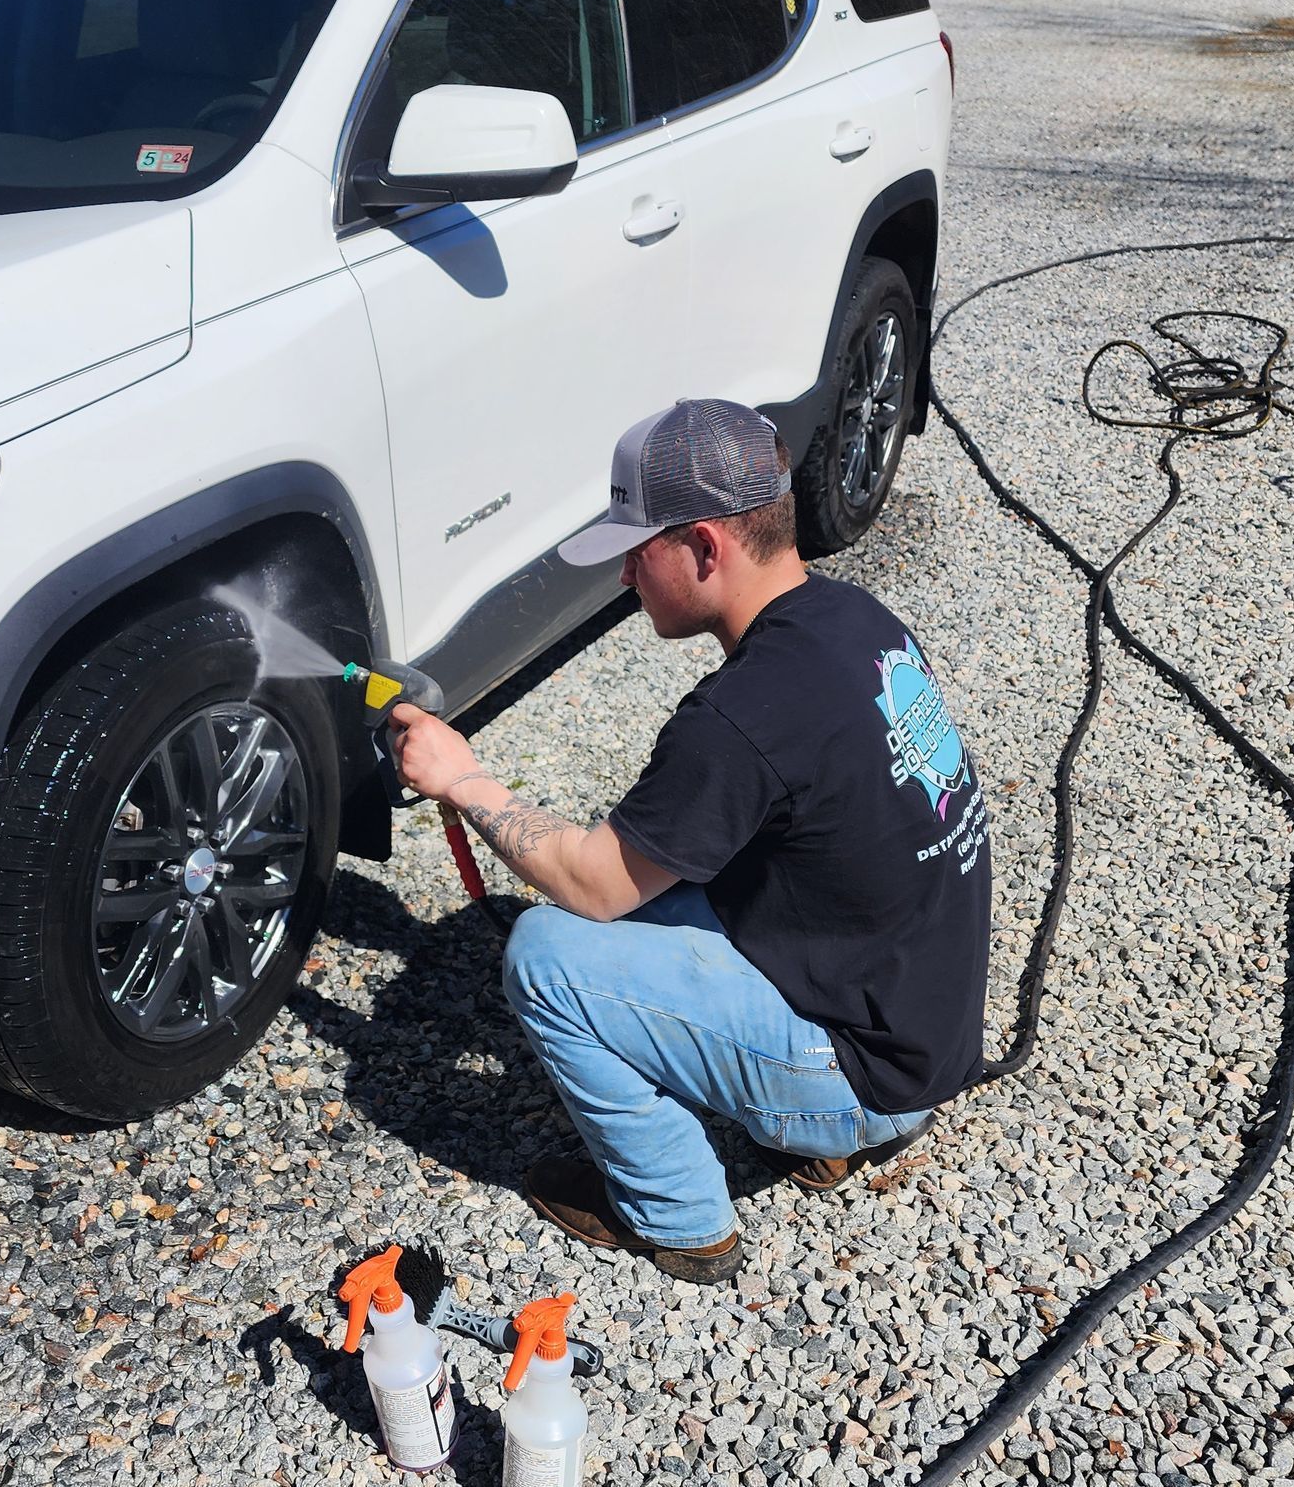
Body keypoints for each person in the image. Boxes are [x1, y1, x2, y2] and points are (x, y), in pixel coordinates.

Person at [387, 398, 992, 1283]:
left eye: (639, 551)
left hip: (868, 1077)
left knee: (546, 954)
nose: (625, 575)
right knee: (660, 877)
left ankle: (678, 1216)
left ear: (705, 548)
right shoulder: (856, 621)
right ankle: (826, 1136)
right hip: (924, 1031)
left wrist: (462, 779)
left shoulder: (740, 718)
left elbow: (592, 883)